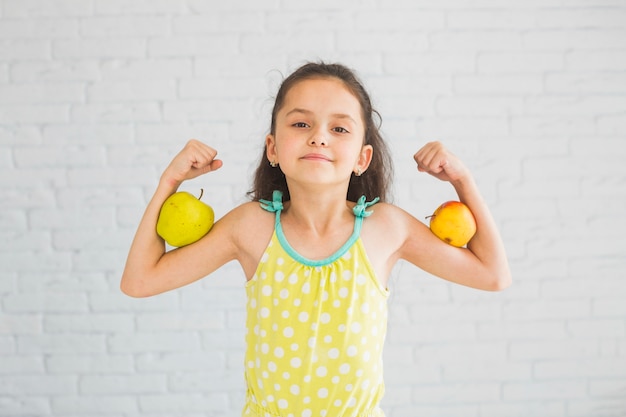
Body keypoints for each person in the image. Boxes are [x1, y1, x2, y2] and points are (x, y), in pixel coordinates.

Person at [121, 62, 511, 417]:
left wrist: (463, 181)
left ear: (363, 157)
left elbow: (493, 275)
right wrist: (168, 183)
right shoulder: (251, 227)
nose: (319, 138)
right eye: (301, 124)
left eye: (339, 128)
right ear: (272, 147)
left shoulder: (386, 228)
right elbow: (140, 281)